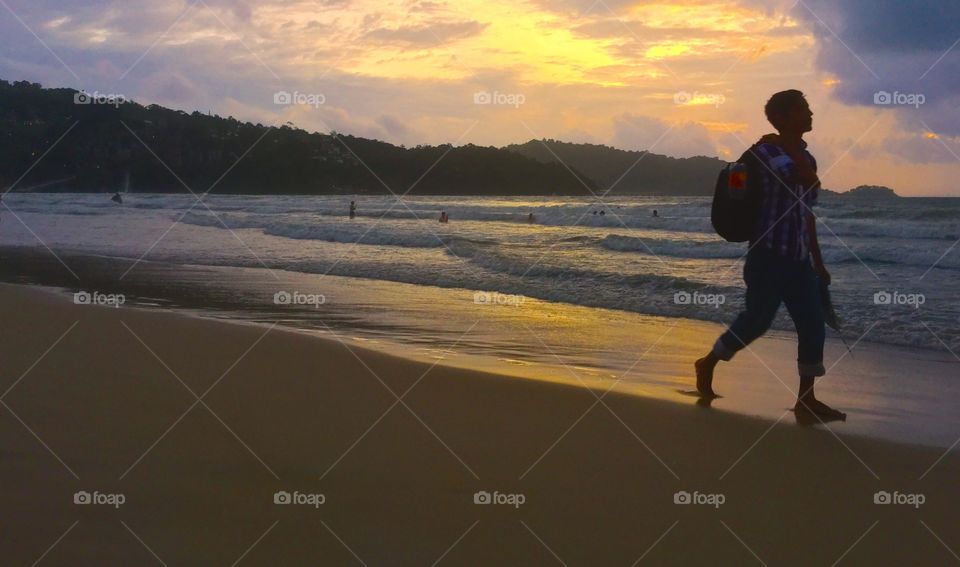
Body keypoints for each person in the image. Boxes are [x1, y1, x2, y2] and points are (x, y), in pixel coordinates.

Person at [694, 89, 843, 420]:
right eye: (804, 109)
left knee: (813, 325)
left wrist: (817, 262)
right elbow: (802, 178)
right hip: (768, 256)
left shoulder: (804, 155)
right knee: (756, 321)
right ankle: (708, 362)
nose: (811, 114)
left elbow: (808, 209)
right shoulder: (767, 152)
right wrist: (789, 149)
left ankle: (806, 400)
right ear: (785, 117)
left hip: (798, 259)